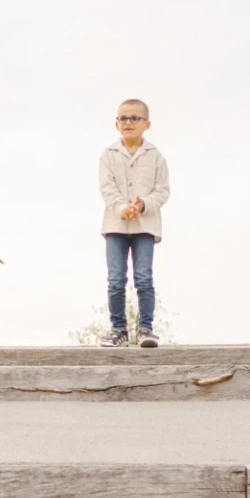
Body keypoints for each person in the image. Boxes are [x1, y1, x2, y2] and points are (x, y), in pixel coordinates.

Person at [97, 98, 169, 348]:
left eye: (134, 118)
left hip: (145, 226)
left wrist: (143, 204)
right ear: (116, 123)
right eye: (123, 118)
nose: (128, 123)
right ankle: (118, 330)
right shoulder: (108, 155)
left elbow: (162, 190)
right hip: (115, 225)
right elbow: (107, 188)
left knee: (143, 277)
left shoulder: (155, 156)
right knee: (116, 279)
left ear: (146, 124)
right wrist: (122, 208)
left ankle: (146, 329)